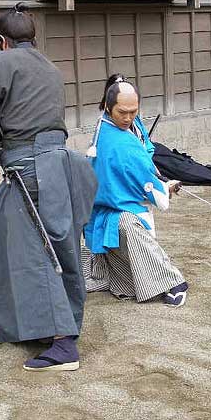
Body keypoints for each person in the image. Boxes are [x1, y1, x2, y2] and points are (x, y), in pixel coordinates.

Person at [0, 3, 97, 371]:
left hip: (30, 170)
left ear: (3, 42)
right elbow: (33, 124)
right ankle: (58, 324)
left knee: (34, 252)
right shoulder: (51, 68)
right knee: (59, 244)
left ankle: (63, 344)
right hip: (58, 164)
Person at [83, 79, 188, 307]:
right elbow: (148, 187)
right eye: (123, 112)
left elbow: (142, 166)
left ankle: (169, 280)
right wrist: (164, 189)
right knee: (125, 226)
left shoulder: (110, 126)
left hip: (118, 206)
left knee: (125, 225)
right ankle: (161, 279)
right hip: (110, 208)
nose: (128, 118)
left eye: (134, 112)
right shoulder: (112, 136)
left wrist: (160, 181)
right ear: (108, 107)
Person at [95, 74, 211, 188]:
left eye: (132, 111)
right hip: (145, 159)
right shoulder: (107, 127)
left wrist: (148, 145)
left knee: (181, 160)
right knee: (185, 172)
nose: (128, 117)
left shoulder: (132, 112)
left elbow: (144, 136)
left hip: (151, 149)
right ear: (110, 102)